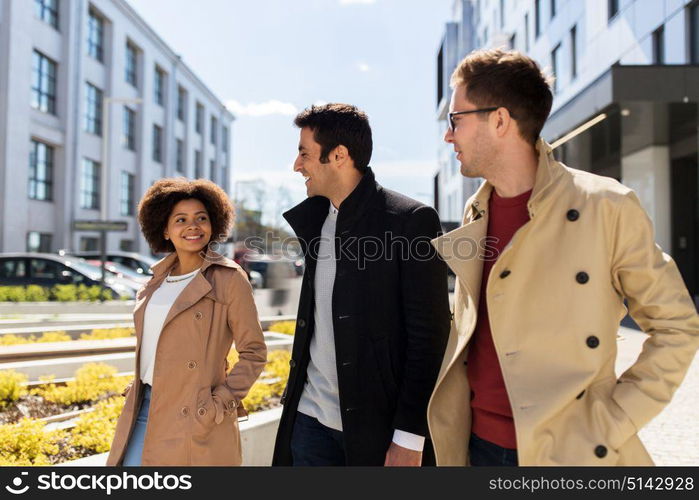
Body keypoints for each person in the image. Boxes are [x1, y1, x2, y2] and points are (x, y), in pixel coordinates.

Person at [427, 48, 699, 466]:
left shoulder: (605, 204)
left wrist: (609, 424)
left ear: (498, 120)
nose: (449, 136)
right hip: (475, 446)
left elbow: (677, 325)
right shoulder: (475, 210)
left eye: (455, 119)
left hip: (565, 455)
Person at [272, 103, 451, 466]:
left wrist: (410, 435)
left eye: (304, 153)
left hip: (378, 432)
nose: (296, 165)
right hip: (308, 425)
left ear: (338, 155)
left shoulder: (410, 221)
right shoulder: (316, 220)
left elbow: (430, 338)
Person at [106, 178, 267, 466]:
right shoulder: (154, 282)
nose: (193, 226)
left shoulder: (228, 279)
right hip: (144, 405)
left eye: (201, 218)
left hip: (195, 413)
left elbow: (254, 352)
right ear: (165, 229)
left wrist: (220, 403)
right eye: (181, 219)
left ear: (213, 224)